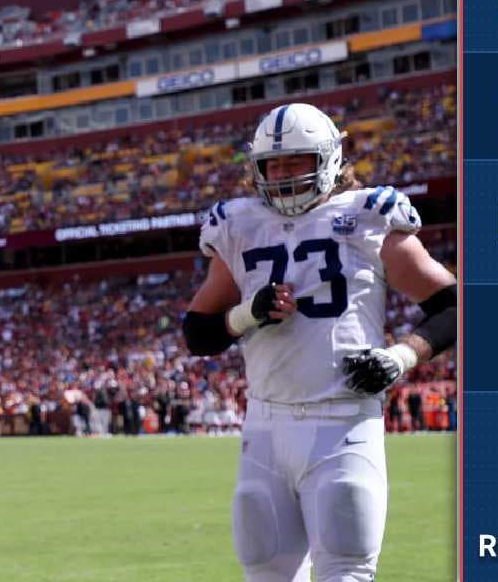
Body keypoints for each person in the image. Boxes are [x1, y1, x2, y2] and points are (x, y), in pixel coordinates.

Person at [181, 102, 456, 582]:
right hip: (265, 426)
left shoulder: (368, 216)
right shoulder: (239, 225)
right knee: (265, 570)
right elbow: (198, 333)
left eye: (297, 161)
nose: (284, 175)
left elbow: (453, 305)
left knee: (346, 571)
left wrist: (402, 355)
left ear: (328, 159)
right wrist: (249, 313)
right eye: (274, 163)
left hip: (343, 422)